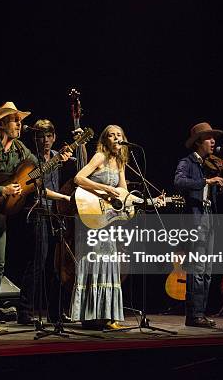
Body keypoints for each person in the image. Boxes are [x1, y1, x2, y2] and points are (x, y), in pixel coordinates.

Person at [0, 102, 70, 334]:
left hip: (1, 214)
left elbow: (35, 170)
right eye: (15, 120)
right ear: (2, 124)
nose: (19, 124)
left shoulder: (20, 149)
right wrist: (1, 190)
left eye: (19, 121)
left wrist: (58, 159)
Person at [70, 124, 128, 330]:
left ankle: (107, 315)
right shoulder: (99, 157)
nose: (116, 138)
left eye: (119, 135)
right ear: (105, 140)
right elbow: (78, 178)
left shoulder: (120, 162)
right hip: (92, 217)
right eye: (111, 135)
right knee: (94, 261)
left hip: (108, 219)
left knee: (109, 263)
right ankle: (90, 315)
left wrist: (133, 200)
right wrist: (104, 188)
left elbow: (123, 191)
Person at [17, 119, 71, 325]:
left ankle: (55, 312)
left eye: (49, 136)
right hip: (38, 212)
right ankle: (25, 311)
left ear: (54, 137)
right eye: (41, 136)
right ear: (35, 139)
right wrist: (63, 198)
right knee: (37, 263)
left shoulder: (57, 156)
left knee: (55, 265)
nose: (46, 140)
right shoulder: (31, 159)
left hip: (54, 214)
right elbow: (36, 186)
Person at [174, 122, 223, 328]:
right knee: (196, 269)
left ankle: (200, 313)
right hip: (195, 222)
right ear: (197, 143)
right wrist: (206, 182)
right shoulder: (187, 163)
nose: (213, 141)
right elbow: (179, 181)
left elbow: (211, 196)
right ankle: (194, 315)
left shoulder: (207, 165)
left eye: (214, 138)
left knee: (207, 271)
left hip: (209, 220)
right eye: (208, 138)